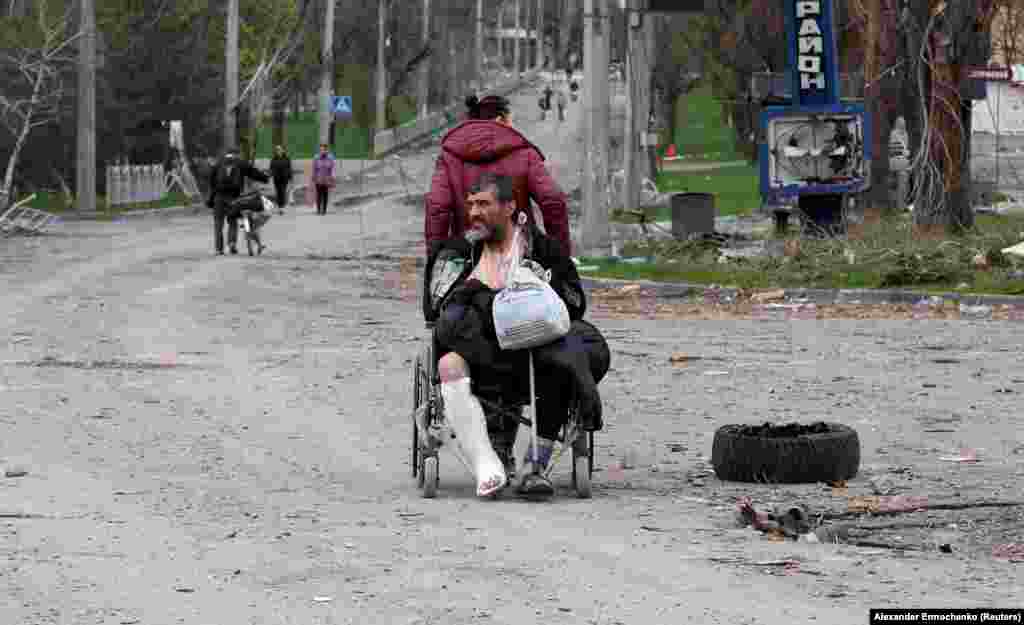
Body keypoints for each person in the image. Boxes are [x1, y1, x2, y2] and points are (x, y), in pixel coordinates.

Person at [423, 173, 610, 499]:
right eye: (470, 205)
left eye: (484, 204)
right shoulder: (457, 253)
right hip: (479, 353)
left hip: (537, 353)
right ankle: (489, 461)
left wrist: (542, 287)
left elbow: (575, 304)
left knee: (571, 352)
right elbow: (436, 310)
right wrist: (476, 291)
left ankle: (534, 466)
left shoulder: (543, 249)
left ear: (510, 207)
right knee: (449, 363)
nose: (474, 213)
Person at [425, 94, 572, 257]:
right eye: (511, 121)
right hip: (519, 258)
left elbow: (437, 208)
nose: (513, 127)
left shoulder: (449, 157)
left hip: (468, 256)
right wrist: (560, 257)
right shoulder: (525, 154)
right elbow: (553, 200)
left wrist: (435, 262)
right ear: (500, 120)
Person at [206, 147, 269, 255]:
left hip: (219, 197)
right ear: (236, 154)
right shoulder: (240, 163)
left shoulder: (218, 163)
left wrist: (211, 198)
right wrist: (265, 178)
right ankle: (232, 243)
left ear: (226, 153)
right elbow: (253, 172)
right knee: (232, 220)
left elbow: (211, 182)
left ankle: (218, 249)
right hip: (233, 197)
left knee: (218, 223)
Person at [312, 143, 336, 215]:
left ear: (326, 150)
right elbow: (314, 168)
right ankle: (318, 209)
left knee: (325, 195)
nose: (322, 151)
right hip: (318, 178)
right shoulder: (316, 157)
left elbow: (332, 168)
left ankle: (324, 210)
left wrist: (332, 177)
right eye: (321, 149)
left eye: (324, 149)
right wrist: (313, 176)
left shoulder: (330, 157)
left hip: (327, 179)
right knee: (319, 195)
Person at [269, 145, 293, 214]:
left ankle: (281, 207)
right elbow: (271, 168)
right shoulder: (273, 159)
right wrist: (270, 175)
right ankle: (280, 207)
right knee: (278, 193)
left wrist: (290, 178)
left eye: (279, 150)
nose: (278, 151)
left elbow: (289, 168)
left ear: (282, 150)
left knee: (282, 192)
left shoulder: (286, 158)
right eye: (277, 150)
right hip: (276, 178)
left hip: (284, 178)